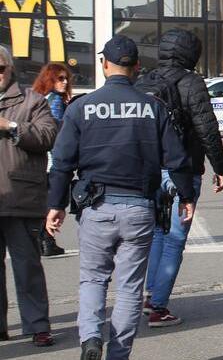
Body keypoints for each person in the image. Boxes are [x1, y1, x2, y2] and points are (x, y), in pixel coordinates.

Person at [45, 35, 195, 360]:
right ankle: (118, 354)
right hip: (139, 208)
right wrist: (187, 196)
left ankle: (90, 338)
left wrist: (56, 205)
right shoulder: (153, 107)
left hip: (96, 207)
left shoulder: (81, 107)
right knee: (129, 289)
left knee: (93, 279)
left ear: (104, 65)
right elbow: (177, 159)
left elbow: (62, 163)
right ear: (137, 67)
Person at [140, 29, 223, 328]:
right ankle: (159, 307)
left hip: (149, 169)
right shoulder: (191, 82)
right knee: (175, 239)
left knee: (156, 232)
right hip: (183, 169)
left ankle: (151, 294)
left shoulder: (144, 81)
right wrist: (220, 167)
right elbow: (207, 129)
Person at [0, 46, 57, 347]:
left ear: (10, 68)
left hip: (21, 197)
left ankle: (37, 326)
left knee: (27, 267)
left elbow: (48, 136)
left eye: (0, 68)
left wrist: (11, 127)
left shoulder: (32, 100)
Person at [32, 62, 73, 257]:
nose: (64, 82)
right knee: (55, 202)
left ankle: (42, 240)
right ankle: (47, 240)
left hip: (40, 160)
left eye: (66, 79)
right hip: (53, 161)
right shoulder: (55, 100)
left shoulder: (39, 98)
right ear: (50, 80)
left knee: (44, 203)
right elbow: (58, 132)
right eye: (60, 78)